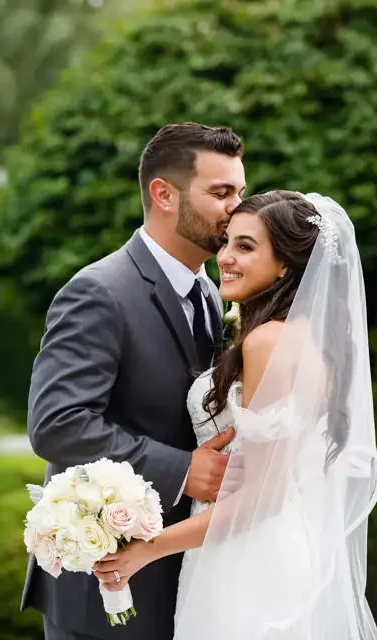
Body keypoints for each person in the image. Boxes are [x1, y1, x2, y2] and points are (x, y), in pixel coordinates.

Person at [93, 191, 377, 639]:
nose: (224, 256)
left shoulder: (268, 341)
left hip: (250, 557)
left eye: (245, 246)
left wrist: (147, 549)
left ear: (285, 265)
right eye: (227, 241)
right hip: (269, 544)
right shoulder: (309, 338)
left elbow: (263, 496)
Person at [21, 122, 248, 640]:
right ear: (164, 195)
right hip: (105, 592)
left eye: (240, 192)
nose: (236, 208)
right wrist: (182, 470)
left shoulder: (213, 295)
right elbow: (57, 424)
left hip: (185, 578)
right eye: (221, 193)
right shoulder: (99, 293)